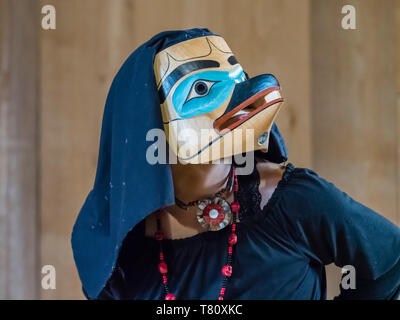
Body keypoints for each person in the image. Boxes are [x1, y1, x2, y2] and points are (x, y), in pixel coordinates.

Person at [71, 28, 400, 300]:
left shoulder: (293, 200)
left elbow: (391, 261)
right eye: (202, 89)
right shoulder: (116, 246)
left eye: (236, 77)